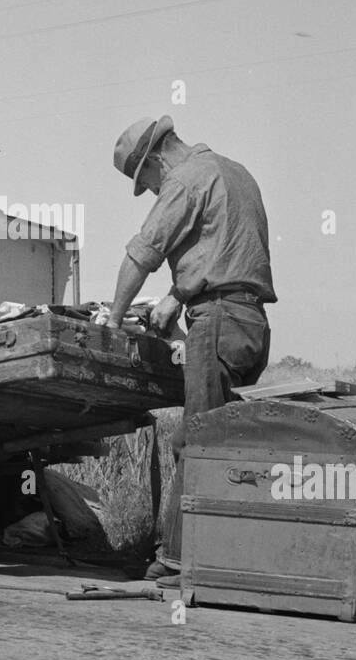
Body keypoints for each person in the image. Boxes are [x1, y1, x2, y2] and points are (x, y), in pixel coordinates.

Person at [98, 115, 276, 583]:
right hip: (251, 325)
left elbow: (143, 253)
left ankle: (180, 559)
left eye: (148, 184)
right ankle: (226, 555)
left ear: (155, 160)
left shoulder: (185, 180)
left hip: (216, 324)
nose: (155, 192)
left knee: (195, 443)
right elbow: (230, 252)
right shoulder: (233, 172)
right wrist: (177, 297)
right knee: (223, 443)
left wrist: (114, 322)